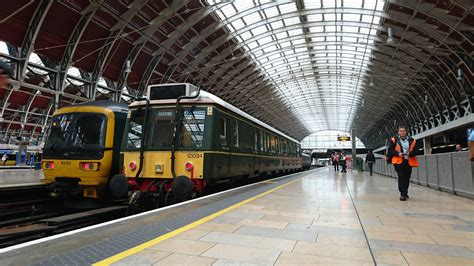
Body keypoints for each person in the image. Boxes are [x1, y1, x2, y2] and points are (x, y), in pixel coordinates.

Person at [387, 126, 420, 201]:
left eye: (403, 131)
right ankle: (403, 194)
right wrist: (398, 154)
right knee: (401, 176)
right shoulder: (394, 140)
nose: (402, 132)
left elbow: (416, 151)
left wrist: (410, 154)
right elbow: (390, 150)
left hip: (408, 161)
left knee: (407, 177)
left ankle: (405, 191)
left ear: (406, 132)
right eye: (400, 131)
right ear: (398, 132)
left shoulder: (412, 140)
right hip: (398, 161)